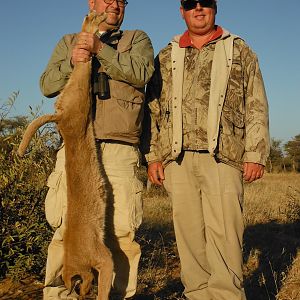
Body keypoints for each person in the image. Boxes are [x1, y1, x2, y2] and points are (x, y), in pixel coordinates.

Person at [142, 0, 270, 299]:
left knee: (226, 234)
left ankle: (226, 295)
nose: (198, 9)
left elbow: (256, 104)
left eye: (205, 3)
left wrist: (255, 154)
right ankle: (197, 294)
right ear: (182, 11)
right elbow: (153, 110)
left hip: (224, 157)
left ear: (215, 8)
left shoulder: (239, 49)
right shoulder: (166, 55)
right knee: (189, 237)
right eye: (190, 4)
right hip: (177, 159)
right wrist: (152, 157)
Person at [40, 0, 154, 299]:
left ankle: (118, 295)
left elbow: (142, 73)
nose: (114, 4)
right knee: (65, 231)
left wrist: (100, 49)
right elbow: (47, 85)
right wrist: (74, 60)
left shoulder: (136, 39)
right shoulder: (68, 41)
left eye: (121, 0)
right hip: (76, 149)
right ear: (92, 3)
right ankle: (59, 294)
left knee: (122, 235)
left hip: (119, 147)